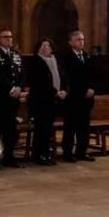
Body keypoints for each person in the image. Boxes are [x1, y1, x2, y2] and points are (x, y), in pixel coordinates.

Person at [28, 38, 67, 166]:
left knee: (49, 129)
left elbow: (64, 77)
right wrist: (55, 92)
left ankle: (47, 153)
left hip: (54, 100)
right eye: (42, 46)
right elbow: (39, 83)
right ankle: (39, 155)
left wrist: (64, 90)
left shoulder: (57, 60)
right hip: (41, 100)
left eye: (48, 46)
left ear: (52, 48)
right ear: (38, 48)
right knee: (41, 129)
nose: (45, 48)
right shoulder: (35, 62)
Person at [0, 28, 25, 168]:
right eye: (5, 37)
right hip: (0, 99)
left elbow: (22, 73)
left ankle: (9, 157)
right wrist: (10, 88)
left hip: (13, 100)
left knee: (11, 131)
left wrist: (19, 87)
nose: (8, 39)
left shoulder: (16, 54)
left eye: (10, 37)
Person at [60, 30, 97, 163]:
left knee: (84, 127)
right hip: (73, 98)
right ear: (71, 42)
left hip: (86, 99)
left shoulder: (87, 56)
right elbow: (68, 78)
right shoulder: (66, 58)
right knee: (70, 127)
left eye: (82, 39)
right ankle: (68, 153)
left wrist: (92, 88)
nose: (81, 42)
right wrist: (82, 90)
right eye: (78, 40)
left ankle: (82, 151)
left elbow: (94, 75)